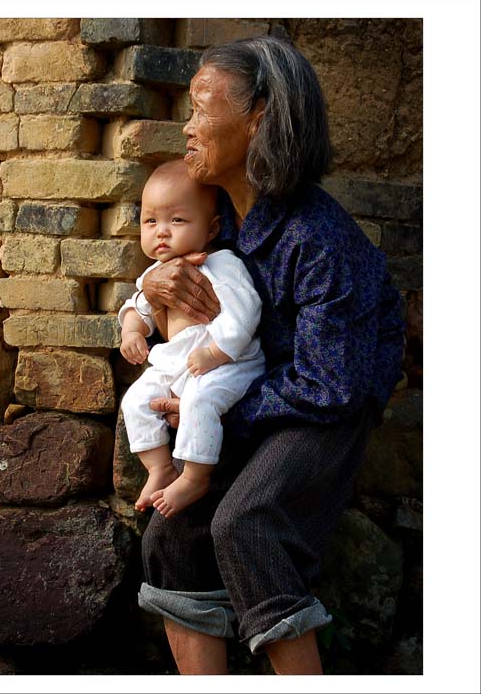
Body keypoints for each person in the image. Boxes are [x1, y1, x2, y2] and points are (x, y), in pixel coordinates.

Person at [133, 36, 406, 675]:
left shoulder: (319, 239)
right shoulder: (214, 214)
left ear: (260, 119)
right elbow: (164, 285)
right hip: (243, 400)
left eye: (202, 108)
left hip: (320, 413)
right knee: (173, 533)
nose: (188, 126)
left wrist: (215, 408)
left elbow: (329, 386)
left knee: (245, 522)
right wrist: (151, 287)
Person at [119, 160, 265, 517]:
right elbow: (135, 306)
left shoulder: (222, 264)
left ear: (212, 228)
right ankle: (159, 467)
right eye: (151, 221)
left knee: (200, 401)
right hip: (177, 362)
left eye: (177, 221)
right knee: (136, 399)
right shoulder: (156, 272)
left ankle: (196, 476)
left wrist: (216, 353)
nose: (162, 232)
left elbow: (246, 311)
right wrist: (132, 331)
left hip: (228, 362)